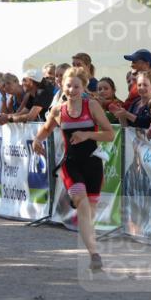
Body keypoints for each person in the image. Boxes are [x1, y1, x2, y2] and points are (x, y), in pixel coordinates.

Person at [32, 66, 114, 271]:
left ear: (84, 87)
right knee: (83, 205)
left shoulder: (92, 106)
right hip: (71, 164)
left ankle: (92, 251)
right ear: (62, 85)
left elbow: (109, 134)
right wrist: (37, 140)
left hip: (93, 164)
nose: (72, 90)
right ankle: (95, 255)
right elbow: (46, 128)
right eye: (68, 86)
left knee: (89, 213)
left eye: (76, 86)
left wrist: (87, 135)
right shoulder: (58, 110)